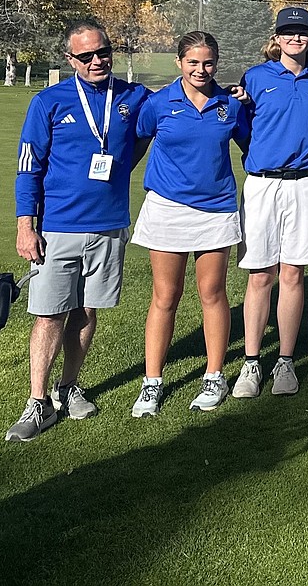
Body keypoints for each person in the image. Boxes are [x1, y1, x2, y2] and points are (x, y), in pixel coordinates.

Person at [7, 20, 150, 442]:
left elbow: (174, 106)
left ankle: (68, 387)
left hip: (109, 226)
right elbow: (27, 166)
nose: (96, 61)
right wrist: (24, 225)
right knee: (49, 315)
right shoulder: (48, 101)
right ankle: (37, 402)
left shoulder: (132, 96)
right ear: (70, 59)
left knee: (87, 311)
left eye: (102, 52)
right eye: (85, 56)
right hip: (57, 228)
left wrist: (234, 93)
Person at [130, 32, 250, 416]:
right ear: (179, 63)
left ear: (217, 62)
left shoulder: (230, 103)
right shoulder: (159, 103)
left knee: (212, 293)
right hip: (167, 208)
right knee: (166, 296)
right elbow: (137, 141)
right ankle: (152, 382)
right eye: (193, 62)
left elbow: (251, 145)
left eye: (208, 62)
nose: (201, 69)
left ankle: (214, 376)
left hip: (215, 210)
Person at [233, 6, 308, 399]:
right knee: (260, 275)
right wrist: (260, 156)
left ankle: (286, 362)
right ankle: (252, 361)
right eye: (288, 32)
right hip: (262, 184)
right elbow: (241, 126)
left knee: (293, 274)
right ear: (276, 38)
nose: (296, 38)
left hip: (307, 185)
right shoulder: (255, 77)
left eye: (302, 32)